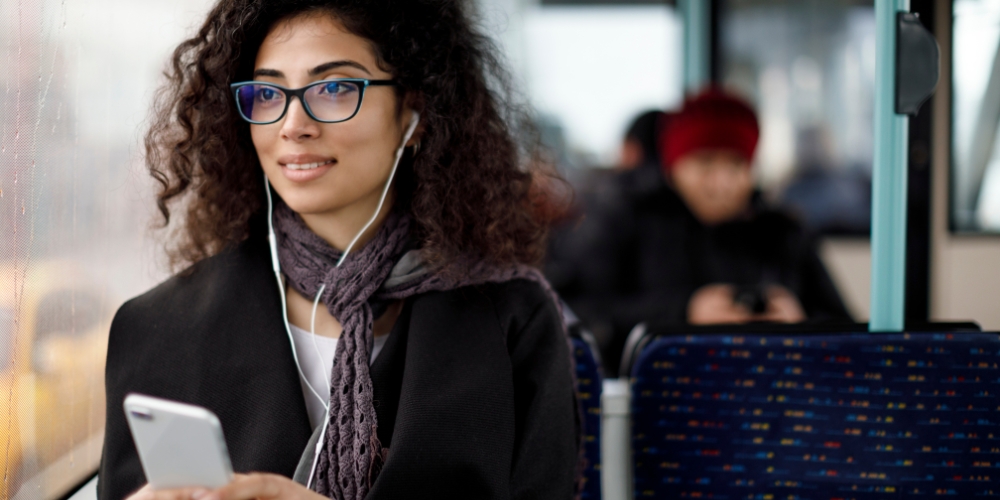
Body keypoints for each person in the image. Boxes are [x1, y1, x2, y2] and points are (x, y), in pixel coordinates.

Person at [98, 1, 578, 499]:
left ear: (415, 111)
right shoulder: (157, 329)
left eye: (333, 88)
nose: (293, 124)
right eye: (267, 93)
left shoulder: (511, 319)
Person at [557, 88, 851, 374]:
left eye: (737, 164)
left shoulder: (783, 232)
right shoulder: (628, 220)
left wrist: (802, 324)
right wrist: (683, 312)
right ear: (673, 166)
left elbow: (847, 333)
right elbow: (578, 312)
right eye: (705, 163)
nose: (722, 182)